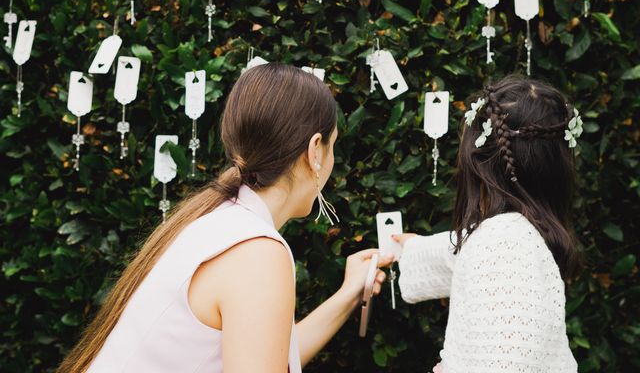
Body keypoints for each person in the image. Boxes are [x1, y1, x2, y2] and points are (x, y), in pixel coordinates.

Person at [58, 63, 392, 373]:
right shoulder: (257, 252)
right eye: (333, 146)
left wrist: (348, 294)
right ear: (315, 150)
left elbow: (265, 354)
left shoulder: (219, 220)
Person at [394, 75, 582, 372]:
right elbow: (458, 253)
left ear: (479, 164)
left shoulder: (504, 240)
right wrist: (408, 248)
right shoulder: (516, 234)